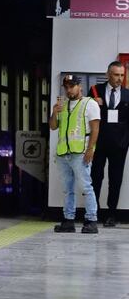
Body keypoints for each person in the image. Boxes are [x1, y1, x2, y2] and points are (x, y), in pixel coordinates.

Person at [50, 74, 100, 233]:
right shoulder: (62, 105)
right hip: (63, 153)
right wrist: (54, 112)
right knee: (67, 188)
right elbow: (53, 127)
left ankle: (91, 220)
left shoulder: (89, 104)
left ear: (80, 87)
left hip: (80, 152)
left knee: (86, 186)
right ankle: (68, 220)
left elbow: (95, 129)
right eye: (66, 87)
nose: (69, 90)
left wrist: (90, 149)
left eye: (72, 86)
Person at [90, 61, 129, 227]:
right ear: (108, 75)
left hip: (119, 144)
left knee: (116, 179)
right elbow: (87, 115)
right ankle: (94, 211)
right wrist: (93, 103)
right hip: (99, 142)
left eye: (122, 75)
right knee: (96, 176)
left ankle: (111, 213)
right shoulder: (95, 91)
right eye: (116, 75)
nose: (119, 78)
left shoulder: (128, 95)